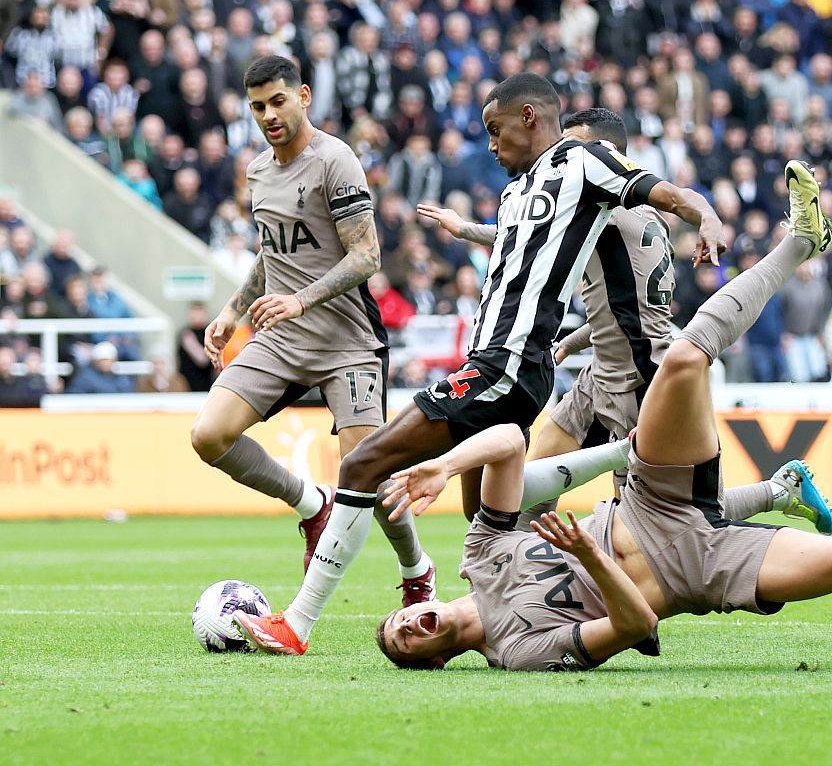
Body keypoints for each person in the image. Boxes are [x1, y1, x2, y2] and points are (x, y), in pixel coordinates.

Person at [328, 161, 832, 672]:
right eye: (409, 644)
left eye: (399, 623)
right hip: (694, 570)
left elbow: (503, 441)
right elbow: (630, 629)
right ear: (435, 659)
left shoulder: (480, 558)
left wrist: (443, 464)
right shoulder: (516, 651)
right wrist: (590, 559)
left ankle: (800, 240)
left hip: (652, 499)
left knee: (689, 359)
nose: (411, 628)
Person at [231, 72, 725, 654]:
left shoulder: (585, 162)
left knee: (362, 465)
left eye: (495, 131)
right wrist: (465, 229)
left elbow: (667, 194)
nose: (489, 145)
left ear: (530, 119)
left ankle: (298, 623)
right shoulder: (517, 191)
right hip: (498, 361)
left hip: (508, 363)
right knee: (489, 519)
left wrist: (707, 217)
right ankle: (582, 557)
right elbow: (522, 249)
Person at [418, 108, 799, 527]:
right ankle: (513, 569)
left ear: (608, 153)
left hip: (636, 372)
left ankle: (777, 491)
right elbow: (621, 303)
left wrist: (466, 229)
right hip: (604, 366)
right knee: (532, 482)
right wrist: (574, 341)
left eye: (575, 146)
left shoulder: (602, 208)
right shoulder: (640, 213)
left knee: (666, 518)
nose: (562, 156)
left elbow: (530, 235)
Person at [189, 56, 433, 603]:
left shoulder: (336, 160)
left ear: (302, 95)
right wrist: (232, 310)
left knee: (367, 470)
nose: (269, 116)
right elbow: (272, 251)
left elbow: (367, 256)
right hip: (281, 336)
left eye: (278, 101)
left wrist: (299, 300)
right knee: (208, 435)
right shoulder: (256, 172)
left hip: (347, 342)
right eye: (257, 107)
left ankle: (417, 569)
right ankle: (312, 506)